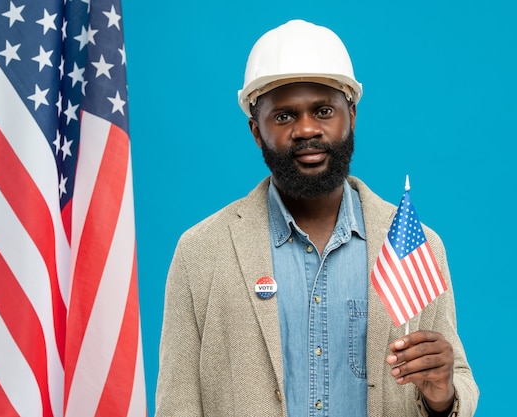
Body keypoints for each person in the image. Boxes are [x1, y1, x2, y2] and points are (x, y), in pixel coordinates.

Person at [155, 19, 479, 417]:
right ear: (256, 131)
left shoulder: (413, 244)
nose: (307, 128)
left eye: (324, 110)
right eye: (285, 116)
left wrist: (442, 394)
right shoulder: (202, 252)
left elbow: (455, 380)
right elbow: (177, 403)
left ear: (352, 115)